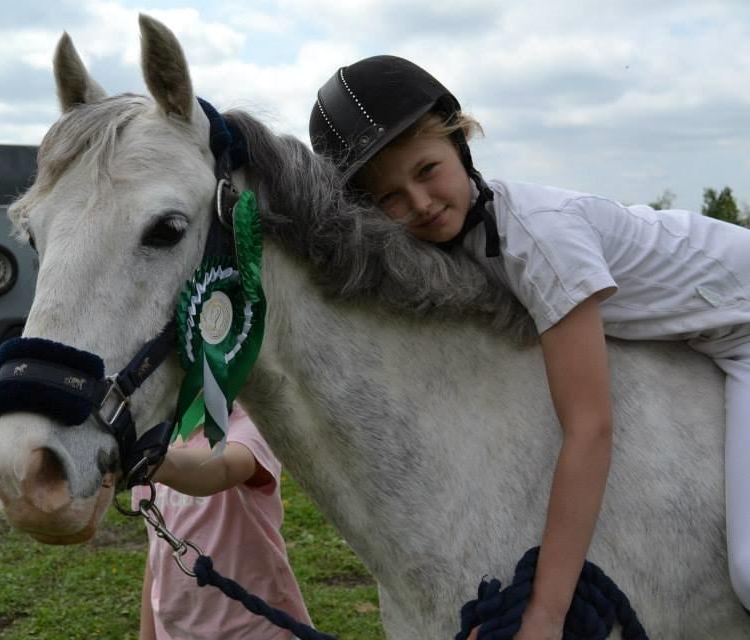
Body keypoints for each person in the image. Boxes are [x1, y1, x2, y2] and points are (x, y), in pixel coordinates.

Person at [309, 55, 750, 638]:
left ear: (462, 141)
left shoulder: (539, 239)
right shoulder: (462, 240)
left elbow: (590, 429)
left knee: (747, 569)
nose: (418, 203)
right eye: (390, 197)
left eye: (427, 169)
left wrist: (544, 614)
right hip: (708, 327)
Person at [132, 404, 312, 640]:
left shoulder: (250, 424)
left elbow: (224, 468)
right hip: (175, 631)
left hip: (256, 628)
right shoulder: (160, 436)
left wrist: (151, 461)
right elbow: (158, 550)